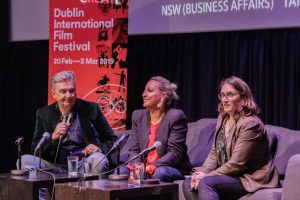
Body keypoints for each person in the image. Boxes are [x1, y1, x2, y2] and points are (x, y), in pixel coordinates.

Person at [182, 76, 279, 200]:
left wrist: (206, 177)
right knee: (188, 182)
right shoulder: (223, 118)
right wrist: (202, 173)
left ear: (243, 99)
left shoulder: (250, 124)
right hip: (233, 175)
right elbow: (214, 153)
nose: (224, 100)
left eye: (230, 95)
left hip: (251, 177)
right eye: (222, 95)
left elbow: (236, 163)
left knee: (206, 183)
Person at [20, 70, 118, 177]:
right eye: (63, 91)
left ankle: (94, 193)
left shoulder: (91, 109)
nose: (69, 95)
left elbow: (111, 139)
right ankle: (43, 194)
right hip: (54, 165)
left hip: (84, 164)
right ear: (54, 94)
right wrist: (53, 137)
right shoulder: (43, 113)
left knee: (99, 159)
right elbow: (35, 148)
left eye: (72, 91)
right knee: (23, 161)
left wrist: (99, 148)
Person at [122, 76, 192, 182]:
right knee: (121, 172)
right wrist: (136, 167)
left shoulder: (176, 116)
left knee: (160, 172)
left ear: (163, 96)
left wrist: (151, 167)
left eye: (149, 91)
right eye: (144, 90)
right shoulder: (137, 116)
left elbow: (174, 153)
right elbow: (134, 149)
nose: (143, 94)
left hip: (169, 167)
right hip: (143, 166)